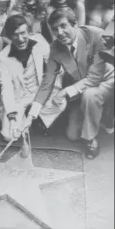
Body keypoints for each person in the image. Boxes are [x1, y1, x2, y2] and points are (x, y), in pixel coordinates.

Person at [23, 8, 114, 159]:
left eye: (63, 26)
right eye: (54, 29)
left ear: (76, 24)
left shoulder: (96, 35)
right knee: (72, 135)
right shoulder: (55, 47)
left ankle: (91, 139)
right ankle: (101, 115)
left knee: (90, 95)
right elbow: (47, 82)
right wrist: (31, 115)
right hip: (82, 88)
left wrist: (66, 91)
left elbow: (95, 78)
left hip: (107, 81)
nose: (59, 32)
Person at [0, 14, 66, 141]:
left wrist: (56, 90)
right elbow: (6, 89)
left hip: (38, 92)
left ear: (29, 32)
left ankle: (38, 118)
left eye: (23, 33)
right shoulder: (2, 58)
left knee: (60, 102)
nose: (20, 39)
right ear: (9, 36)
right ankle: (22, 118)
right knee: (9, 136)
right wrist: (12, 118)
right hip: (18, 98)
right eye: (15, 34)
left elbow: (57, 69)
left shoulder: (39, 41)